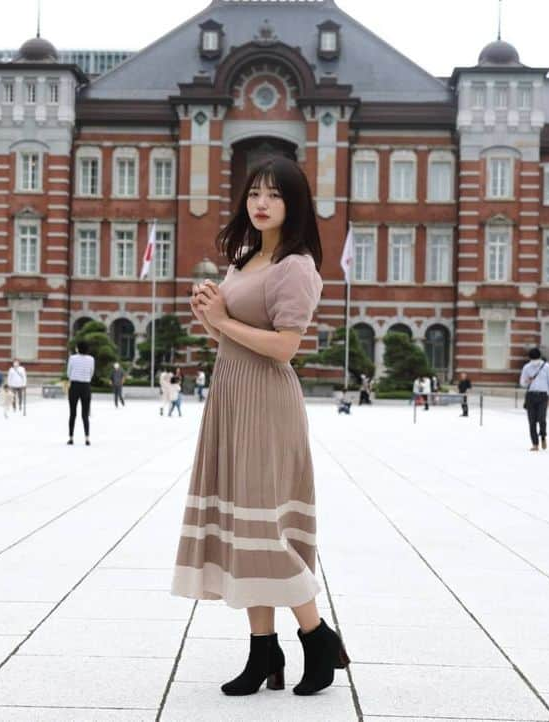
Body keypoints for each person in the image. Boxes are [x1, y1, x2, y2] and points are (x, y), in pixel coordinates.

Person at [172, 156, 347, 697]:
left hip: (266, 402)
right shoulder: (244, 258)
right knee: (244, 531)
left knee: (265, 529)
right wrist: (211, 314)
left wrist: (222, 319)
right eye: (253, 193)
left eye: (273, 194)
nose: (261, 203)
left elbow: (285, 347)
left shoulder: (296, 266)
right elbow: (232, 334)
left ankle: (317, 639)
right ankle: (263, 651)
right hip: (230, 395)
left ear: (293, 204)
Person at [519, 347, 549, 451]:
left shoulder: (546, 367)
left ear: (539, 357)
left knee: (542, 419)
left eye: (536, 360)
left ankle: (543, 436)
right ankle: (535, 444)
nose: (534, 362)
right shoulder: (526, 367)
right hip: (531, 396)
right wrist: (527, 380)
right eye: (532, 360)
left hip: (543, 396)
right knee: (532, 421)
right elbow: (521, 383)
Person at [67, 341, 95, 446]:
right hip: (86, 386)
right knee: (85, 414)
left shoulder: (72, 358)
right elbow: (91, 372)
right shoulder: (91, 359)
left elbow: (68, 372)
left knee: (72, 413)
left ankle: (71, 437)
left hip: (74, 386)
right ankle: (87, 438)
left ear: (77, 348)